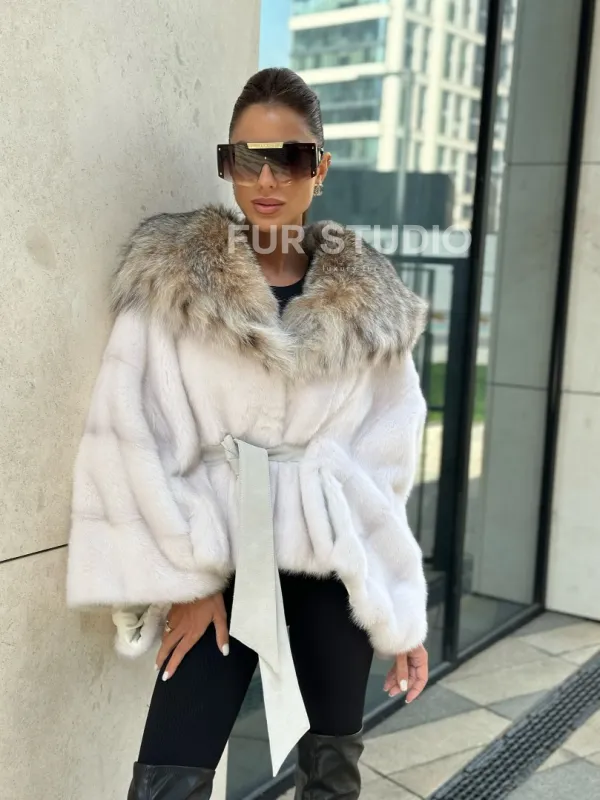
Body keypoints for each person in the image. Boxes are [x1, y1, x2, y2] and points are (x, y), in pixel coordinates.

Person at [66, 67, 431, 800]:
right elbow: (133, 434)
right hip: (219, 561)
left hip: (331, 565)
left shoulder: (372, 303)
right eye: (246, 157)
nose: (266, 179)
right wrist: (188, 580)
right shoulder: (173, 282)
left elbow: (385, 464)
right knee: (168, 777)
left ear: (320, 168)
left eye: (289, 158)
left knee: (333, 777)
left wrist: (399, 608)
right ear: (227, 164)